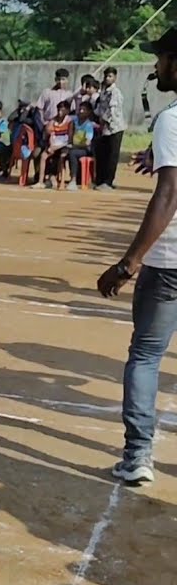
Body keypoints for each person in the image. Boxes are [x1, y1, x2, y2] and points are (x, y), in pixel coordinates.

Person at [95, 26, 177, 485]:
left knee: (145, 355)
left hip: (169, 262)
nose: (155, 66)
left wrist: (128, 262)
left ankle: (138, 454)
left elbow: (169, 194)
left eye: (162, 58)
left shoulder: (172, 118)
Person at [38, 100, 73, 190]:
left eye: (63, 109)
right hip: (54, 144)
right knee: (43, 156)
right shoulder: (53, 120)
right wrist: (51, 146)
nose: (60, 111)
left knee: (62, 157)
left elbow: (69, 139)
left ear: (67, 111)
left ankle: (61, 183)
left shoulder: (69, 121)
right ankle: (40, 181)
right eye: (59, 109)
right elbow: (50, 134)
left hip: (64, 145)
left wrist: (57, 147)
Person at [67, 100, 98, 190]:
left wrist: (74, 146)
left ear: (88, 112)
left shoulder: (88, 125)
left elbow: (87, 143)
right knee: (65, 152)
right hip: (74, 147)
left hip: (85, 149)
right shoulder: (74, 121)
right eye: (80, 109)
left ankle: (73, 180)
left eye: (84, 110)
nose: (81, 111)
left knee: (73, 153)